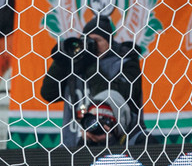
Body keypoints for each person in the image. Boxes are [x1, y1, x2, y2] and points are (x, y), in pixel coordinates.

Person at [40, 15, 146, 149]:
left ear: (109, 42)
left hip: (117, 145)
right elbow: (48, 94)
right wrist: (61, 61)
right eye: (87, 40)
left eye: (97, 40)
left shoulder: (126, 63)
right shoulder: (76, 65)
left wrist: (92, 65)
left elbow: (115, 97)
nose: (92, 45)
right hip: (74, 144)